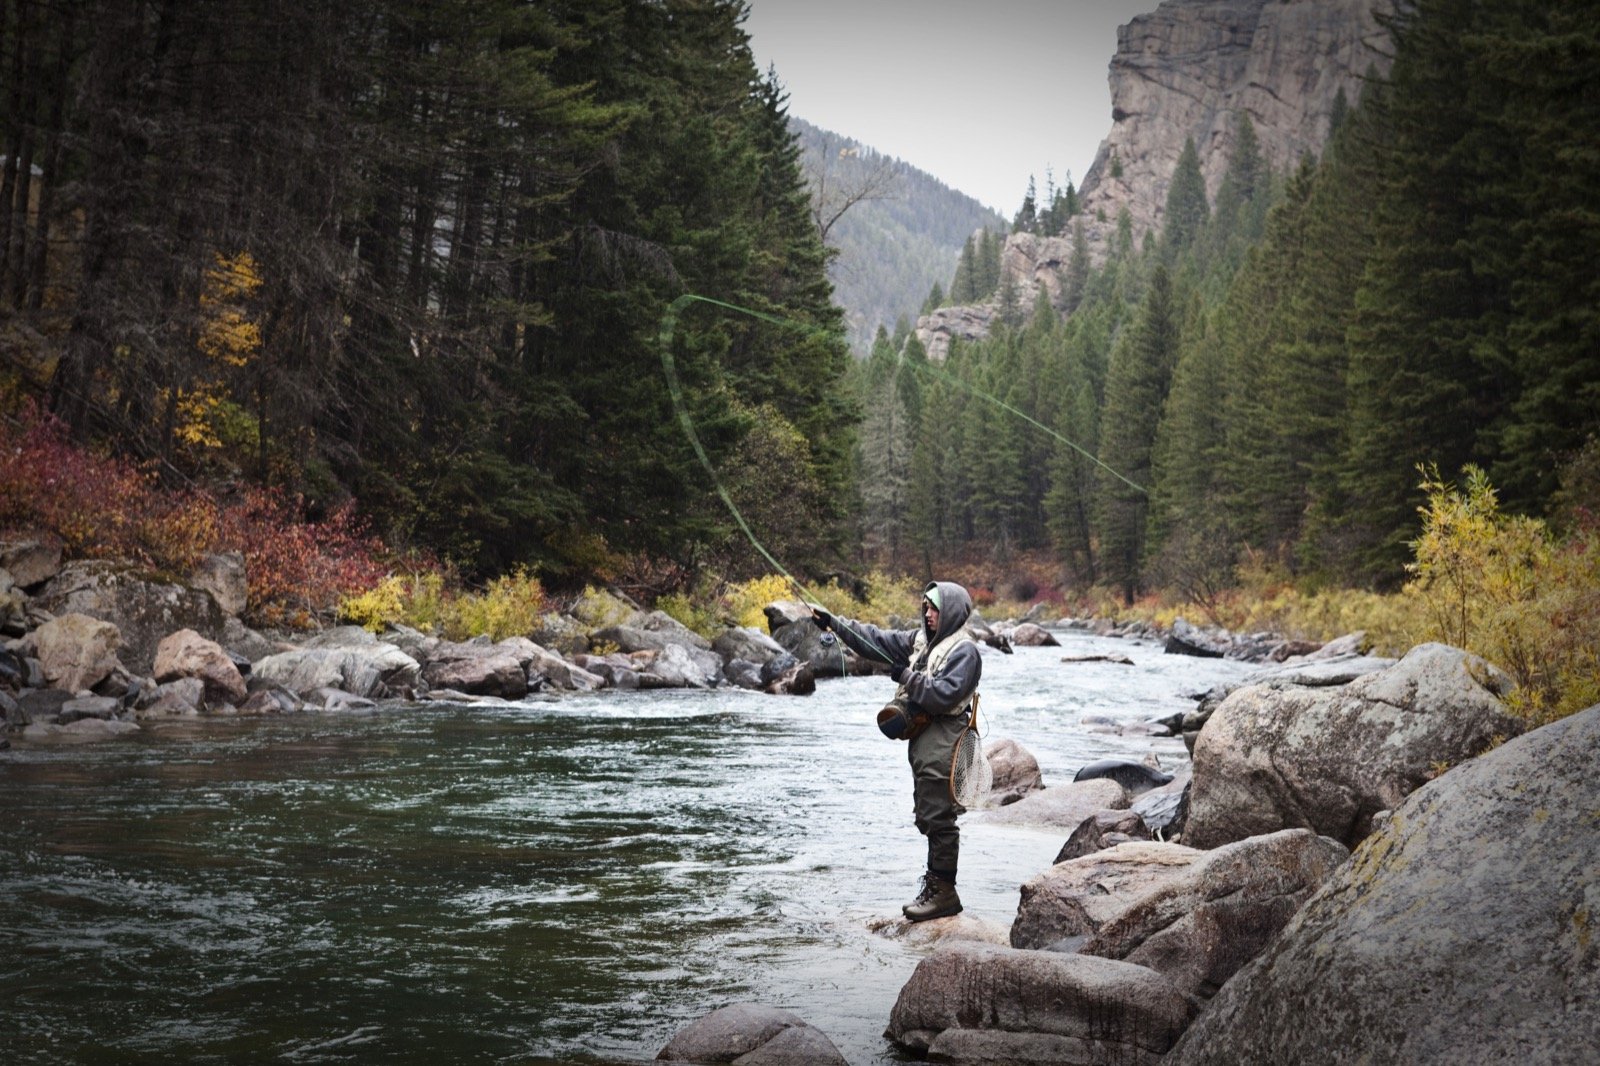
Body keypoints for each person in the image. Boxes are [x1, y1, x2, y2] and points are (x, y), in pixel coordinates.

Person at [811, 581, 982, 921]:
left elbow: (944, 694)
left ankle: (944, 893)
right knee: (928, 811)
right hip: (926, 736)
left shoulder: (965, 652)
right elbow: (874, 640)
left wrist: (906, 676)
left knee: (939, 816)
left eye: (934, 609)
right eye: (926, 608)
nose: (928, 614)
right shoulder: (920, 642)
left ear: (950, 613)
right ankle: (935, 885)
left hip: (947, 733)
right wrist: (834, 623)